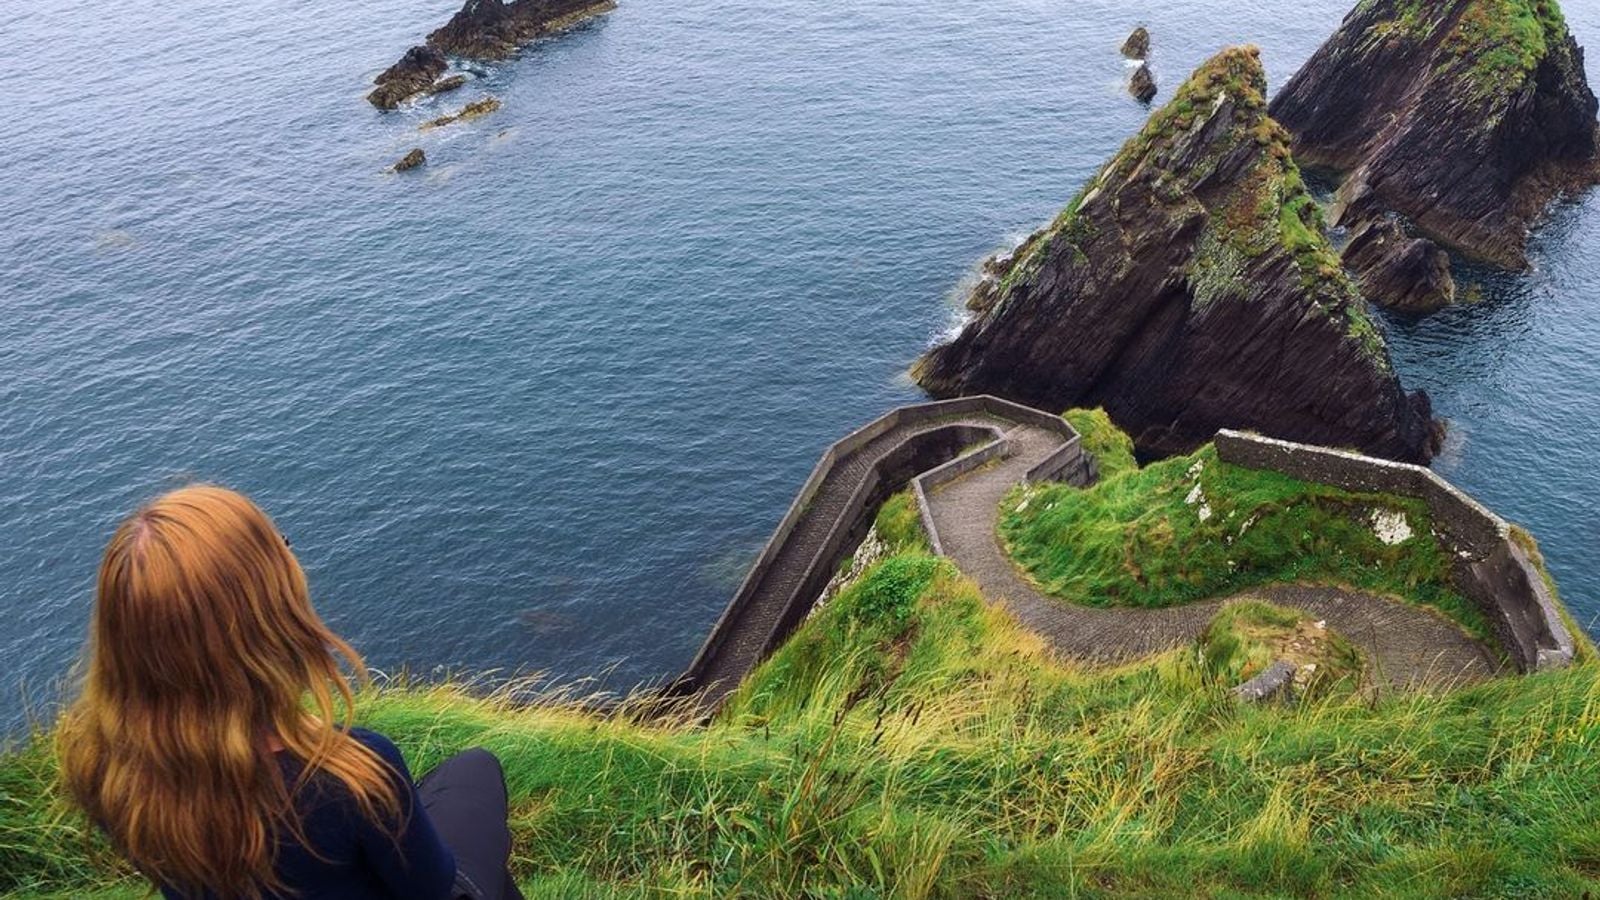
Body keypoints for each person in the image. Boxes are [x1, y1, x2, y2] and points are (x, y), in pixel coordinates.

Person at [55, 484, 523, 900]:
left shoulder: (103, 767)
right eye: (282, 549)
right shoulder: (348, 774)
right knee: (476, 772)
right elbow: (430, 888)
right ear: (263, 616)